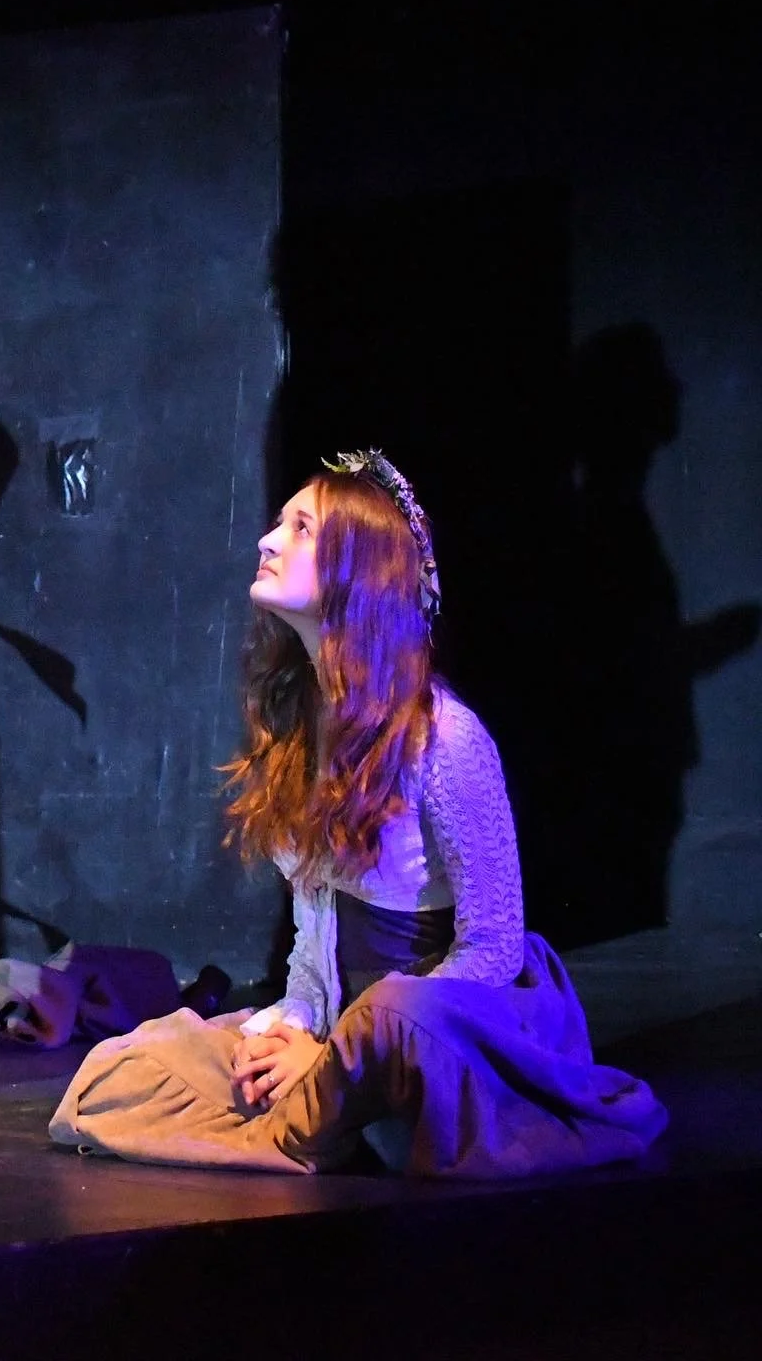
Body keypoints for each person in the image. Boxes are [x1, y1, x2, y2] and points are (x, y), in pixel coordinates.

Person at [50, 451, 667, 1177]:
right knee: (120, 1073)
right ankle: (332, 1115)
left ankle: (343, 1110)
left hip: (431, 1030)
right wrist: (299, 1023)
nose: (268, 540)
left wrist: (345, 1045)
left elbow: (494, 946)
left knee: (397, 1013)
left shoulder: (443, 737)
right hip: (338, 1028)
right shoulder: (295, 720)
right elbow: (316, 930)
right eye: (280, 523)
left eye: (301, 527)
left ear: (358, 571)